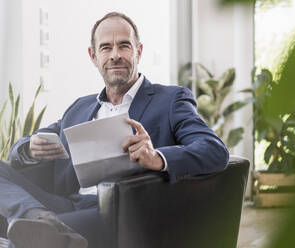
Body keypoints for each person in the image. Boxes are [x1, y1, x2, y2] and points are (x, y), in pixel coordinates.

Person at [0, 12, 229, 248]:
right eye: (106, 47)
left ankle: (39, 227)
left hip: (122, 211)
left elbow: (214, 150)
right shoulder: (79, 107)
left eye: (124, 46)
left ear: (138, 51)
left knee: (27, 238)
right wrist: (29, 148)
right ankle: (36, 216)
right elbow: (22, 148)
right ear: (94, 56)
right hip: (66, 204)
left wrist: (157, 157)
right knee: (31, 224)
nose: (115, 55)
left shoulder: (171, 100)